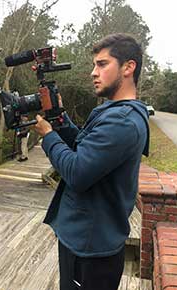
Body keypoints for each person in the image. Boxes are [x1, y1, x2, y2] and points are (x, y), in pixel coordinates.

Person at [29, 33, 150, 290]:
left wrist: (48, 137)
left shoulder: (123, 121)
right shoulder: (114, 113)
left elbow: (77, 172)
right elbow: (83, 149)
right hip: (85, 240)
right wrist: (59, 118)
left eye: (102, 64)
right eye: (94, 65)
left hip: (91, 250)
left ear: (128, 67)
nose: (94, 72)